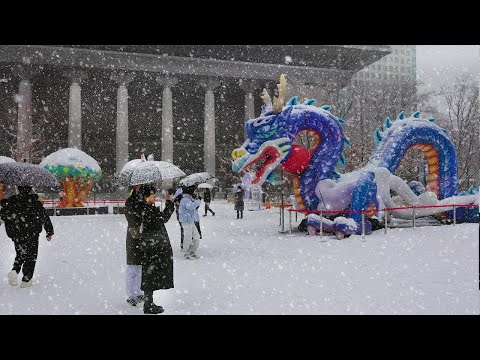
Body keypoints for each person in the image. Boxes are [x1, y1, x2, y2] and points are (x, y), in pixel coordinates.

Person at [0, 185, 54, 288]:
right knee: (31, 256)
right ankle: (26, 280)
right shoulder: (35, 203)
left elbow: (3, 215)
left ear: (19, 190)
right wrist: (49, 231)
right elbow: (44, 217)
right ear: (30, 191)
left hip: (17, 234)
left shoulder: (12, 202)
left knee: (20, 253)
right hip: (32, 234)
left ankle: (14, 271)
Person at [138, 184, 175, 314]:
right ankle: (148, 305)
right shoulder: (147, 209)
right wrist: (169, 203)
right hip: (152, 247)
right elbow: (163, 218)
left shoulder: (146, 208)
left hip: (151, 245)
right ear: (146, 197)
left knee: (150, 275)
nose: (155, 196)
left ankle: (149, 303)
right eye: (153, 195)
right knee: (150, 275)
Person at [124, 184, 145, 306]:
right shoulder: (130, 201)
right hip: (134, 235)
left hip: (142, 234)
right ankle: (131, 294)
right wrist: (139, 219)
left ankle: (138, 292)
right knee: (133, 267)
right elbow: (130, 218)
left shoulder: (143, 198)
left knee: (141, 266)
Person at [178, 185, 202, 259]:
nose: (195, 192)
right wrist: (198, 201)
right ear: (190, 192)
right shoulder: (185, 199)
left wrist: (197, 200)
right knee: (188, 237)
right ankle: (186, 253)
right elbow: (190, 206)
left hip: (190, 220)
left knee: (196, 236)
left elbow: (193, 207)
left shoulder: (189, 199)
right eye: (194, 191)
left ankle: (192, 251)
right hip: (186, 221)